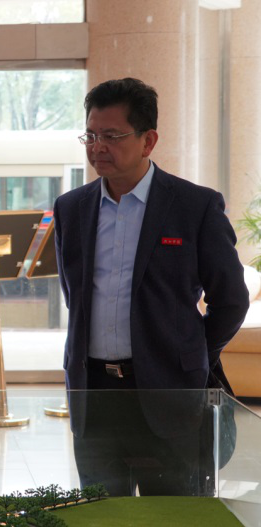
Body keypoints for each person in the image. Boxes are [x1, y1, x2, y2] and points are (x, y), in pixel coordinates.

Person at [54, 78, 250, 496]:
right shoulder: (71, 208)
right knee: (102, 521)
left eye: (111, 136)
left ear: (148, 141)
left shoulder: (195, 206)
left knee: (176, 522)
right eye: (90, 135)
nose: (97, 147)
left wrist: (190, 353)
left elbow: (231, 299)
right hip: (95, 398)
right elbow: (76, 298)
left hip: (169, 396)